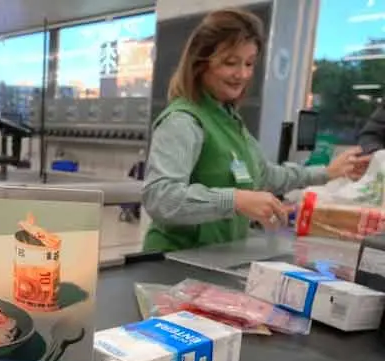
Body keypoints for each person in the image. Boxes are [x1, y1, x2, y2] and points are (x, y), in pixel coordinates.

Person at [142, 8, 371, 253]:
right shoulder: (183, 121)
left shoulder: (229, 120)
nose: (242, 74)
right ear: (200, 63)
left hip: (213, 257)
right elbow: (160, 197)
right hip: (173, 261)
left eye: (249, 63)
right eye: (230, 62)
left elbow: (265, 175)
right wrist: (236, 200)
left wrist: (328, 172)